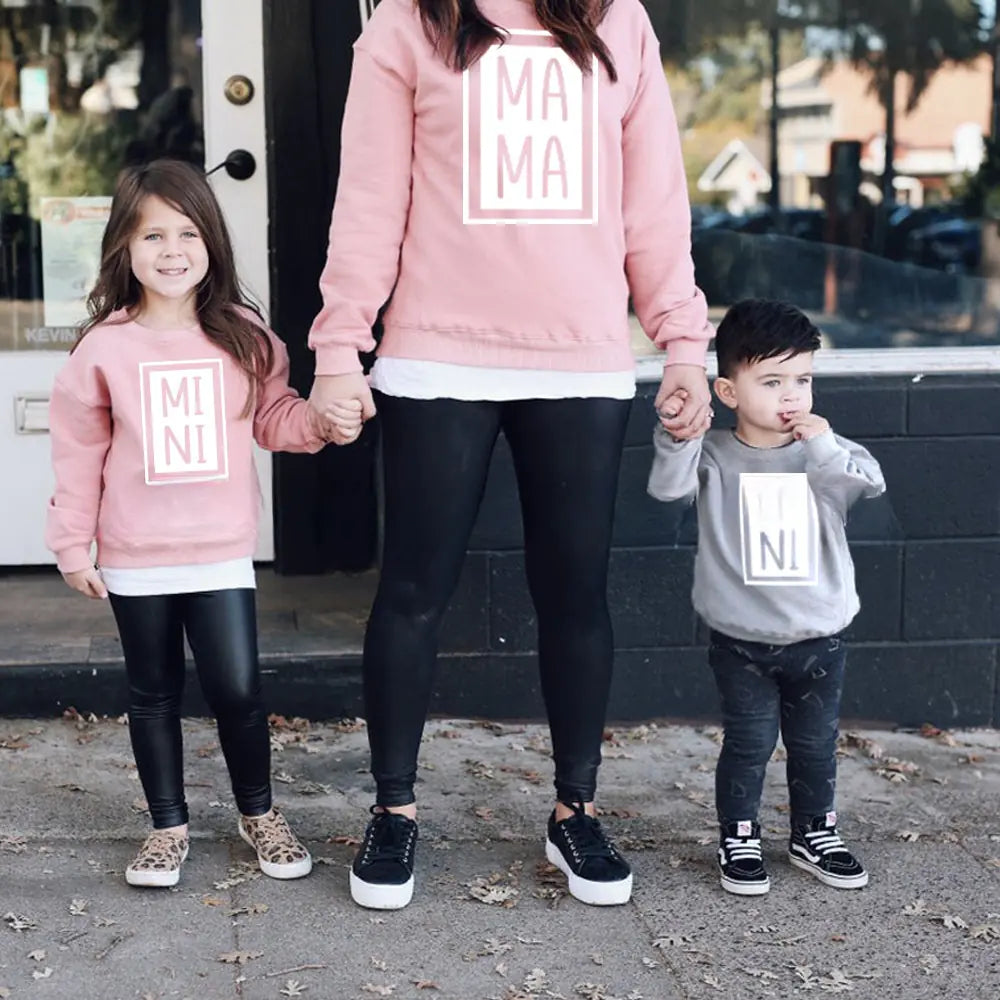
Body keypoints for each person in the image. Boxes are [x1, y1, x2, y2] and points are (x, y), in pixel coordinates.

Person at [307, 0, 712, 910]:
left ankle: (576, 811)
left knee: (574, 592)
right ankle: (396, 810)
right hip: (436, 354)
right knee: (412, 593)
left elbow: (654, 197)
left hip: (579, 357)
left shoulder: (620, 20)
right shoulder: (409, 23)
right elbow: (370, 197)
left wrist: (680, 340)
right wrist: (341, 346)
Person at [44, 159, 363, 888]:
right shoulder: (105, 348)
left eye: (187, 232)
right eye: (152, 234)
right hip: (135, 554)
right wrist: (71, 541)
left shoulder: (243, 336)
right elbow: (79, 451)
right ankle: (167, 829)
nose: (172, 250)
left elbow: (274, 417)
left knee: (238, 690)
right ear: (123, 247)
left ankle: (259, 814)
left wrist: (318, 419)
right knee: (151, 692)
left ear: (212, 240)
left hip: (219, 551)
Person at [647, 298, 885, 896]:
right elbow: (666, 490)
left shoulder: (827, 451)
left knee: (814, 744)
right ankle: (740, 833)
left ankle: (814, 832)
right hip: (742, 640)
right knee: (749, 743)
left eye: (803, 380)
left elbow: (862, 486)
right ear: (727, 391)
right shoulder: (716, 457)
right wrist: (679, 434)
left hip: (820, 635)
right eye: (772, 380)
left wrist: (824, 444)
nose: (792, 396)